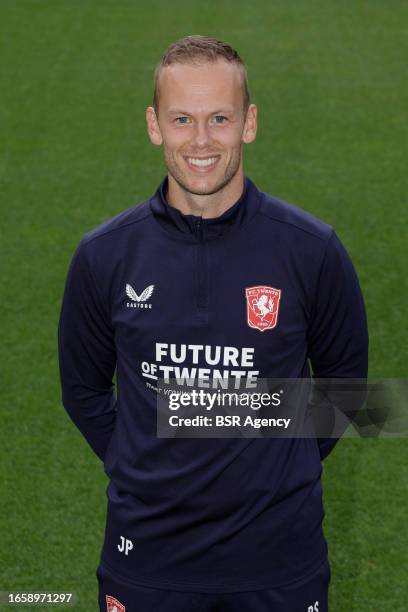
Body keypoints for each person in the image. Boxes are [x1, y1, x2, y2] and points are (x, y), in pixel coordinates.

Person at [58, 35, 368, 612]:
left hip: (279, 560)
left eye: (219, 118)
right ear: (155, 125)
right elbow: (82, 391)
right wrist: (141, 456)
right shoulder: (104, 256)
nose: (201, 141)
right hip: (147, 559)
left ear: (249, 123)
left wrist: (272, 463)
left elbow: (346, 393)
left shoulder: (312, 250)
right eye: (182, 119)